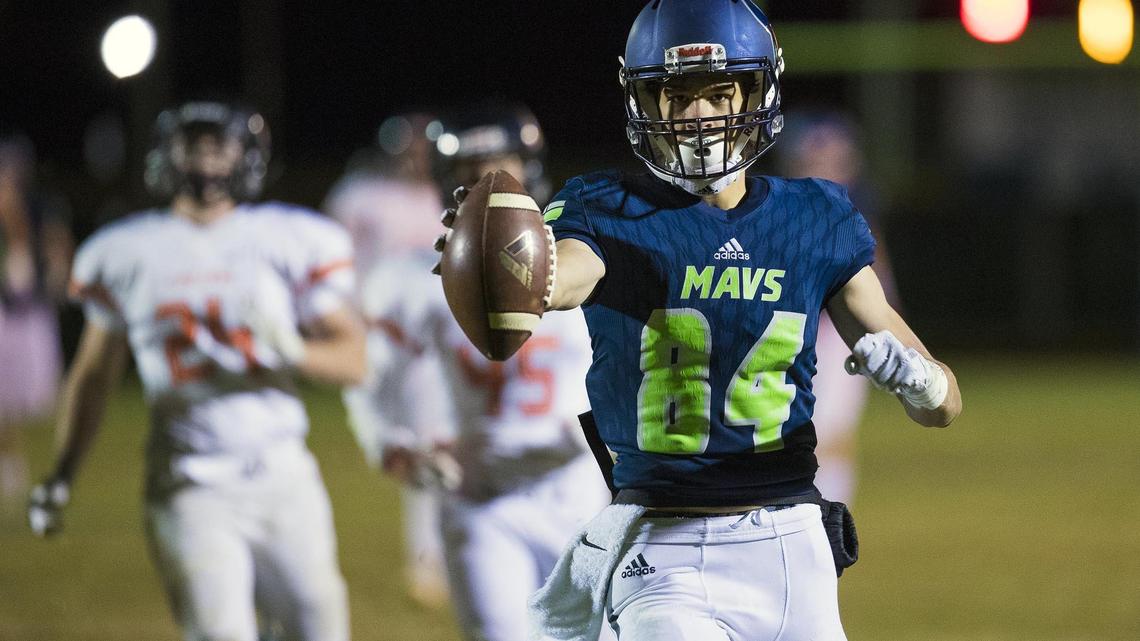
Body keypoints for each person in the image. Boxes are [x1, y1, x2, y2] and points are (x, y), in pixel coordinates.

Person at [439, 2, 963, 640]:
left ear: (755, 90)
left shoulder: (814, 216)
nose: (697, 116)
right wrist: (509, 266)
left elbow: (944, 406)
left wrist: (916, 379)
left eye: (718, 92)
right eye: (675, 94)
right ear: (645, 103)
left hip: (792, 543)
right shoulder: (609, 210)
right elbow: (560, 279)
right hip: (664, 545)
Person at [27, 101, 363, 641]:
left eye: (220, 144)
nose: (207, 160)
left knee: (320, 628)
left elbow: (354, 361)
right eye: (194, 145)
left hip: (283, 476)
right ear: (166, 156)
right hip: (189, 481)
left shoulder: (287, 237)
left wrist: (293, 351)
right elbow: (93, 377)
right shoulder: (127, 250)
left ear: (248, 156)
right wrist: (63, 473)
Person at [347, 103, 611, 641]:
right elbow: (368, 375)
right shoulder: (410, 279)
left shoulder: (583, 260)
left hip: (576, 490)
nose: (486, 184)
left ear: (530, 169)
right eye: (470, 171)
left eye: (499, 167)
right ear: (446, 182)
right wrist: (390, 442)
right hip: (478, 495)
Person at [325, 112, 453, 607]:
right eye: (411, 149)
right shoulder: (360, 195)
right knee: (392, 436)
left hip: (423, 339)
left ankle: (429, 555)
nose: (418, 158)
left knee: (430, 434)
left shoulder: (447, 200)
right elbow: (332, 259)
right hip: (367, 330)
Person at [776, 111, 897, 504]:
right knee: (792, 429)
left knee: (833, 431)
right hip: (791, 327)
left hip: (840, 331)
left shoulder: (851, 203)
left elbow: (876, 268)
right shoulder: (779, 202)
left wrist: (887, 322)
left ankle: (831, 516)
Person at [0, 131, 72, 517]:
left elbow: (54, 243)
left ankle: (63, 467)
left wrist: (58, 272)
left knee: (41, 395)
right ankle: (10, 467)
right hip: (4, 310)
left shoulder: (40, 205)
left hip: (31, 309)